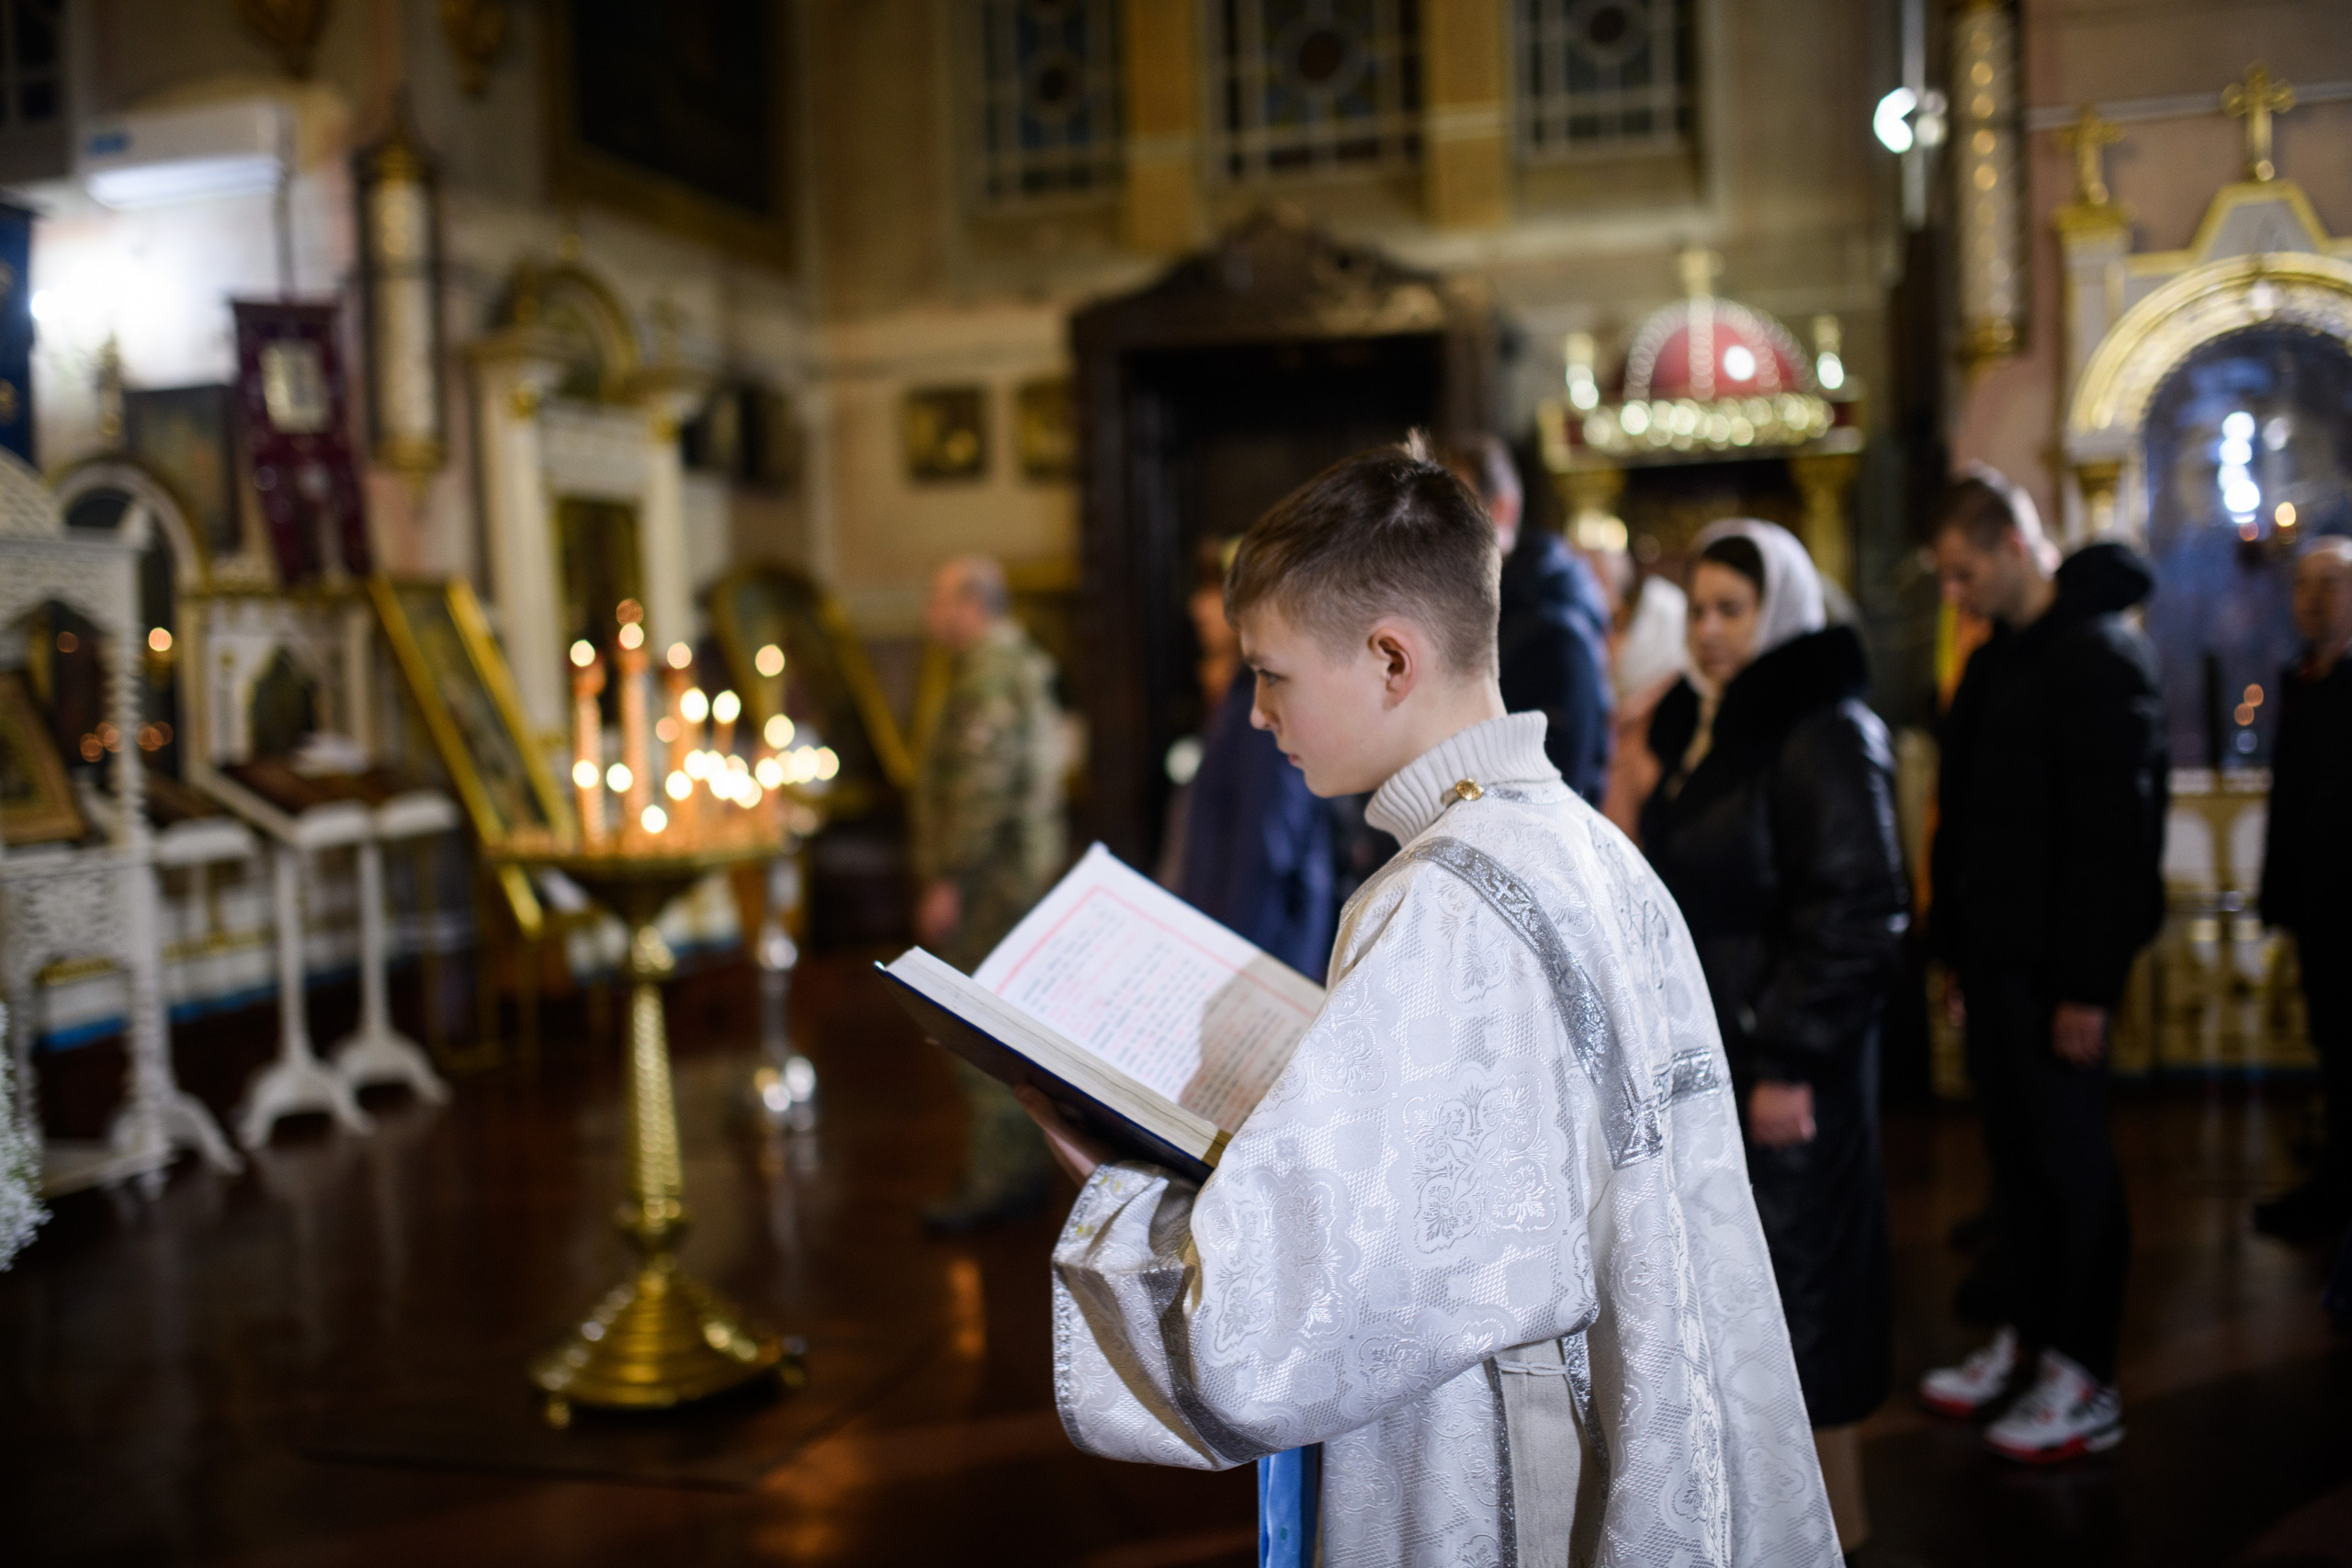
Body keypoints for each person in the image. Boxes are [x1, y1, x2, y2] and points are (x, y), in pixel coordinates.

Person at [1020, 442, 1840, 1566]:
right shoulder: (1591, 848)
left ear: (1391, 658)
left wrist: (1122, 1196)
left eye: (1272, 674)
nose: (1256, 714)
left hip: (1501, 1465)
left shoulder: (1441, 904)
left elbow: (1282, 1325)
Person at [1639, 521, 1905, 1553]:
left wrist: (1792, 1060)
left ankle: (1832, 1530)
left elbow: (1858, 912)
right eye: (1697, 610)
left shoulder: (1822, 729)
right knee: (1749, 1294)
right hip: (1729, 1059)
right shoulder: (1710, 724)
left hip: (1791, 1072)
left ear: (1780, 610)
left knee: (1803, 1300)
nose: (1706, 633)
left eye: (1730, 611)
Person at [1919, 469, 2167, 1462]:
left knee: (2070, 1172)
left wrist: (2087, 983)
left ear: (2015, 545)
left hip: (2059, 975)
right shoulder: (1996, 661)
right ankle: (2024, 1341)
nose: (1954, 594)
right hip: (1995, 963)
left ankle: (2083, 1374)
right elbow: (1971, 822)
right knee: (2015, 1172)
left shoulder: (2101, 656)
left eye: (1962, 571)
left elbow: (2115, 841)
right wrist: (1954, 953)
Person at [911, 554, 1069, 1232]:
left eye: (940, 600)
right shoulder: (1012, 661)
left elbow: (982, 785)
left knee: (979, 1024)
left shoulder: (989, 671)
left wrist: (949, 874)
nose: (929, 614)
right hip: (1015, 872)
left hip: (993, 881)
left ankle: (1001, 1176)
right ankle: (1016, 1168)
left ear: (973, 604)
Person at [1178, 540, 1340, 979]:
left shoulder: (1265, 707)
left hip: (1257, 958)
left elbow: (1266, 853)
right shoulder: (1235, 696)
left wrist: (1230, 971)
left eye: (1215, 594)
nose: (1199, 608)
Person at [2255, 536, 2352, 1240]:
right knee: (2333, 1051)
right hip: (2318, 903)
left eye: (2331, 583)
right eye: (2303, 585)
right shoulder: (2302, 679)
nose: (2314, 598)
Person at [1443, 435, 1615, 803]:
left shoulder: (1553, 627)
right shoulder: (1474, 613)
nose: (1432, 535)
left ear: (1502, 510)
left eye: (1451, 513)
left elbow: (1563, 788)